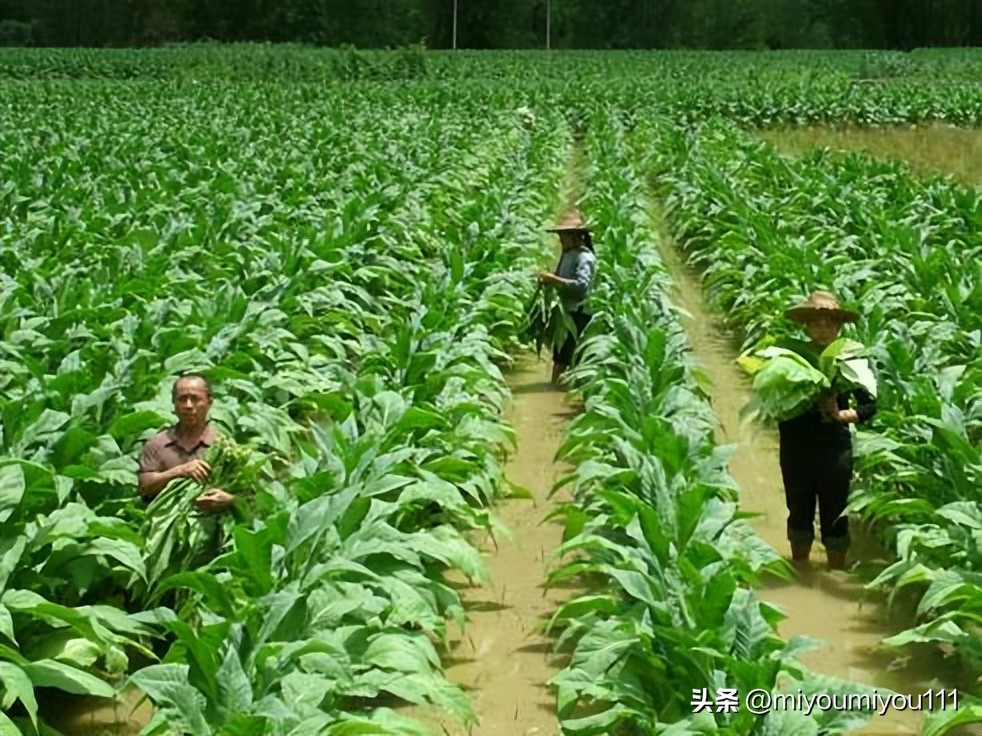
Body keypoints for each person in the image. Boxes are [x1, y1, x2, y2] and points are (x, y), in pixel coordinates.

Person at [778, 291, 876, 571]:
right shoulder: (790, 357)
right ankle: (801, 570)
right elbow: (771, 398)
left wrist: (844, 414)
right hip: (796, 446)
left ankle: (836, 571)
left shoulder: (849, 360)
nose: (823, 329)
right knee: (798, 510)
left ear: (838, 328)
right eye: (817, 323)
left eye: (829, 324)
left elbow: (870, 405)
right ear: (806, 326)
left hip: (834, 448)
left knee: (835, 515)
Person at [138, 374, 235, 513]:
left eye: (195, 399)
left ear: (209, 402)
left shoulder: (223, 445)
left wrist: (229, 500)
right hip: (163, 525)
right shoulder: (157, 444)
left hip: (208, 528)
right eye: (182, 399)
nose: (188, 406)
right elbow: (144, 487)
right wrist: (180, 471)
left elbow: (246, 493)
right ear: (174, 403)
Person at [537, 210, 597, 387]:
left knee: (562, 359)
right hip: (567, 313)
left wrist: (553, 279)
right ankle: (558, 389)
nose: (561, 240)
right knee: (561, 356)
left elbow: (581, 287)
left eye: (563, 237)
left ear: (575, 236)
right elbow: (561, 279)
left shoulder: (584, 258)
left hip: (579, 315)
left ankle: (553, 393)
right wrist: (547, 281)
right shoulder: (568, 254)